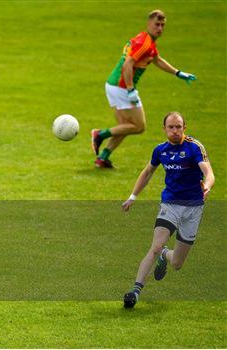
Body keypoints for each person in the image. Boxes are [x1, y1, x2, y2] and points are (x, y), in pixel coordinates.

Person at [120, 112, 214, 308]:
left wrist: (207, 186)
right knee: (155, 246)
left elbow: (208, 172)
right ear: (164, 129)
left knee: (177, 263)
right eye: (171, 127)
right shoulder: (160, 150)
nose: (175, 131)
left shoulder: (194, 147)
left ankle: (165, 255)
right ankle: (135, 291)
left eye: (178, 127)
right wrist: (132, 197)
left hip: (193, 208)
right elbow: (147, 172)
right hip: (170, 204)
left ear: (184, 128)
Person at [91, 9, 197, 168]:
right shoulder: (144, 43)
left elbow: (157, 60)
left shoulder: (146, 40)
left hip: (113, 85)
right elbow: (128, 65)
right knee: (139, 126)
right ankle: (100, 134)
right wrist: (130, 89)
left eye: (162, 25)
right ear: (149, 24)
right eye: (156, 24)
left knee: (123, 127)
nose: (160, 28)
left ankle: (103, 158)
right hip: (121, 87)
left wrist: (178, 73)